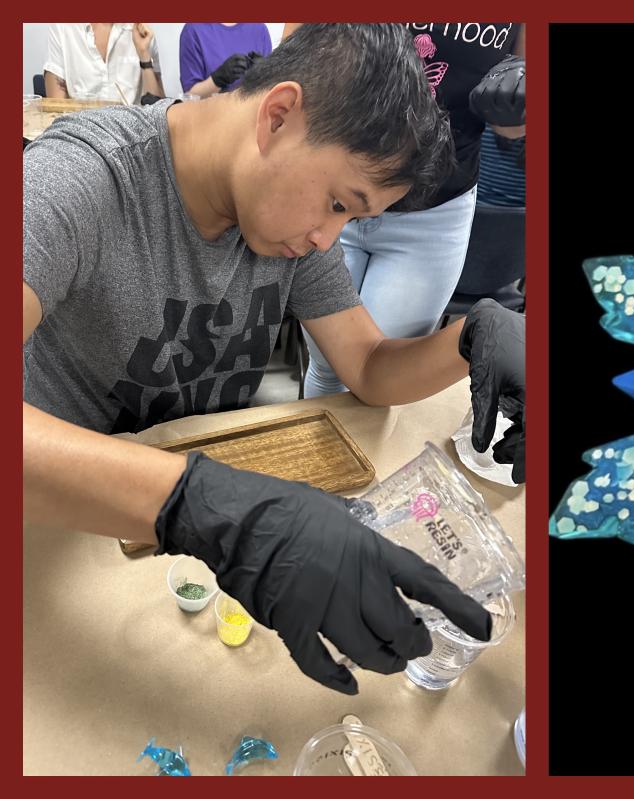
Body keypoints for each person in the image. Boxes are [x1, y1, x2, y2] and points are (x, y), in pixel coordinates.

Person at [23, 24, 526, 695]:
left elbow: (370, 367)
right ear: (278, 115)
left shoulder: (285, 218)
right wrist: (207, 506)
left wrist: (472, 334)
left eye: (355, 218)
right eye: (340, 203)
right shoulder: (82, 179)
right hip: (59, 528)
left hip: (173, 548)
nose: (329, 237)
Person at [285, 22, 525, 400]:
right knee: (327, 364)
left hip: (434, 210)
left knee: (380, 381)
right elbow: (293, 59)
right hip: (339, 190)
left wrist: (517, 105)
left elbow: (510, 119)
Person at [41, 23, 164, 104]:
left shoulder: (141, 29)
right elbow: (55, 109)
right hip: (80, 136)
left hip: (130, 137)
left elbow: (158, 112)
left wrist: (144, 55)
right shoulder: (62, 27)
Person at [178, 22, 272, 98]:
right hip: (212, 118)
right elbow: (190, 97)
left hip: (252, 117)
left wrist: (262, 76)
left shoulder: (259, 29)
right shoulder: (193, 30)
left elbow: (272, 89)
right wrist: (217, 79)